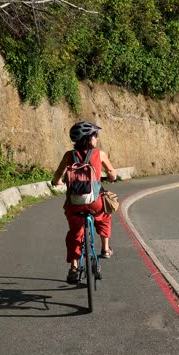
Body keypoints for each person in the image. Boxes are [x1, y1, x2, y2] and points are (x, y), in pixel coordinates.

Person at [53, 121, 117, 284]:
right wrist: (110, 177)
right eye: (95, 135)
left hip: (74, 203)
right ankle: (105, 249)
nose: (97, 137)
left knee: (75, 232)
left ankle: (74, 267)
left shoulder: (69, 155)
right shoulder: (99, 154)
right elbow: (112, 174)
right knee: (104, 216)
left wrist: (58, 182)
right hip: (94, 202)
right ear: (89, 138)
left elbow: (57, 177)